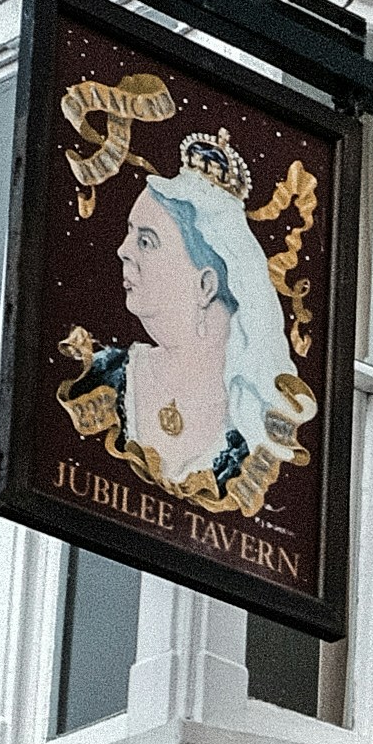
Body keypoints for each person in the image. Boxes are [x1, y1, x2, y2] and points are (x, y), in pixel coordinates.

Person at [112, 152, 292, 498]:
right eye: (130, 234)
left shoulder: (257, 420)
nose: (123, 250)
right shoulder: (111, 378)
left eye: (145, 241)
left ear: (205, 285)